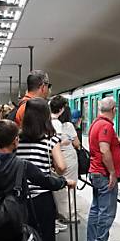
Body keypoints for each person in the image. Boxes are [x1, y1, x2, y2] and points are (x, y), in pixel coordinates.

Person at [15, 97, 67, 241]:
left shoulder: (18, 140)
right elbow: (62, 167)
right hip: (43, 201)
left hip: (20, 201)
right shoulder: (50, 141)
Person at [85, 96, 120, 241]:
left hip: (96, 173)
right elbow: (104, 150)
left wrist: (118, 141)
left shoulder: (96, 124)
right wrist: (112, 173)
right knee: (106, 211)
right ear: (114, 110)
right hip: (104, 175)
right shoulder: (106, 125)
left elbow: (104, 145)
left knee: (96, 209)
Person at [50, 95, 81, 232]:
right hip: (68, 157)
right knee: (70, 186)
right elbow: (77, 143)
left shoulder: (47, 122)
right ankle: (69, 214)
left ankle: (60, 213)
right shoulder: (67, 125)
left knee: (58, 187)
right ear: (62, 109)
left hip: (54, 159)